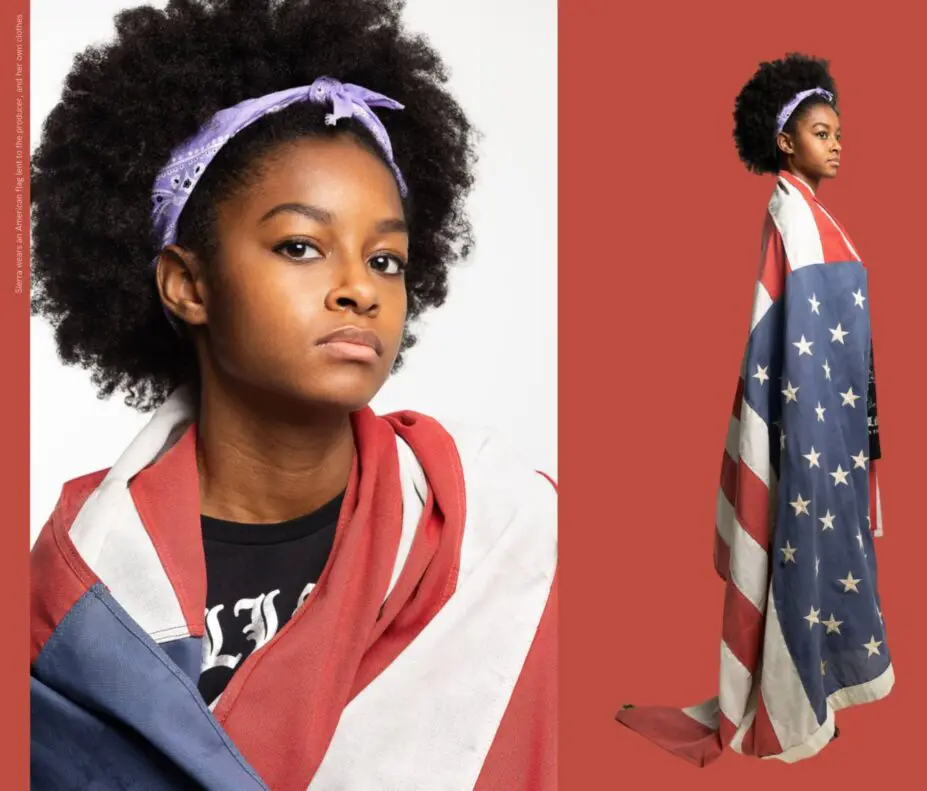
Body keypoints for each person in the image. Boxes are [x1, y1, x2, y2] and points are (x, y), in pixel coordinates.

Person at [28, 2, 557, 789]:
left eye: (386, 259)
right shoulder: (74, 589)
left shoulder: (506, 536)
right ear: (188, 284)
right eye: (302, 246)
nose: (358, 289)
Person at [616, 52, 891, 766]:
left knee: (828, 559)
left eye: (839, 133)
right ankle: (791, 711)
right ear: (785, 141)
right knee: (802, 554)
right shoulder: (793, 219)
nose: (837, 144)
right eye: (822, 133)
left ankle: (815, 695)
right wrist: (809, 438)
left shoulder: (815, 215)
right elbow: (790, 348)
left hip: (834, 426)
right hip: (809, 428)